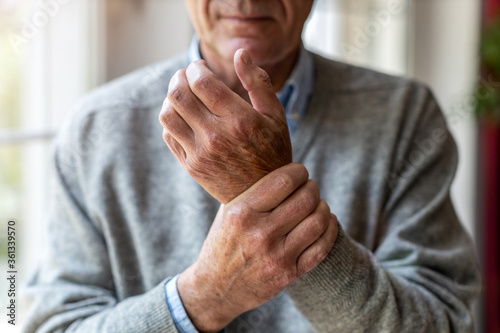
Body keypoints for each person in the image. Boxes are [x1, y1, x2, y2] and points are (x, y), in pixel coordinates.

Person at [22, 0, 481, 332]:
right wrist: (204, 297)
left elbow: (442, 322)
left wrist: (266, 189)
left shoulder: (403, 114)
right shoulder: (95, 127)